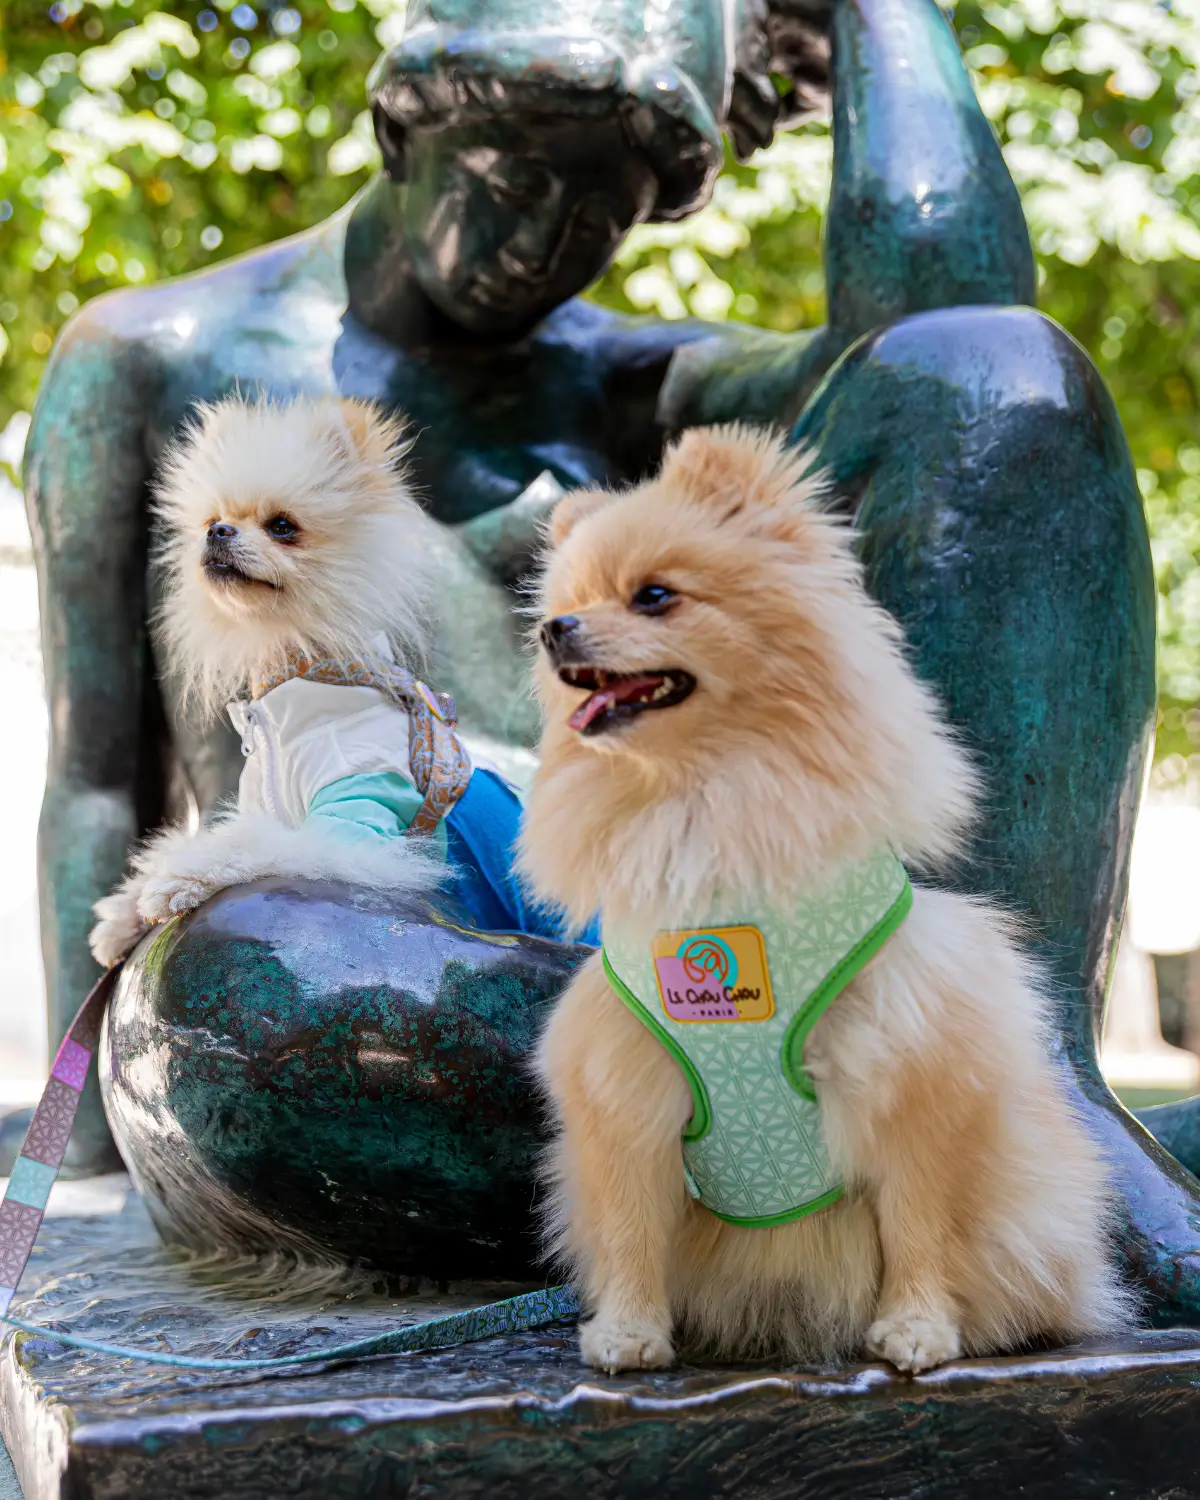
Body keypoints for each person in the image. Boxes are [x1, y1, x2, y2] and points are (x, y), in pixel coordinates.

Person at [28, 0, 1200, 1318]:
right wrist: (87, 1171)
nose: (541, 242)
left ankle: (1031, 1094)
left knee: (995, 370)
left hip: (697, 993)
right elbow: (91, 780)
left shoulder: (639, 381)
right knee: (273, 969)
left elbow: (958, 329)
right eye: (514, 177)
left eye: (603, 211)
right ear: (401, 124)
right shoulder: (152, 357)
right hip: (360, 1020)